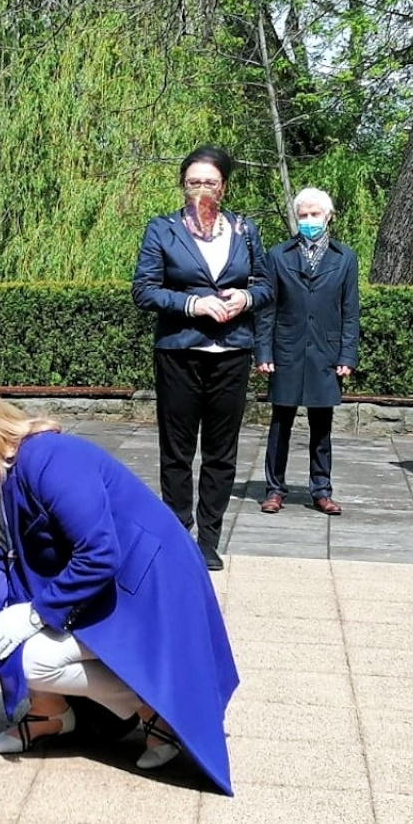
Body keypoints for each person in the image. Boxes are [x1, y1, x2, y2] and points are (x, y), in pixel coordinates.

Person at [0, 380, 239, 794]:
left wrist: (37, 614)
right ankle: (50, 715)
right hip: (104, 584)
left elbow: (99, 553)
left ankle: (156, 709)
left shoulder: (52, 459)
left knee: (31, 654)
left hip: (147, 590)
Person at [131, 147, 271, 571]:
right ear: (182, 185)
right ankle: (177, 530)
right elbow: (144, 290)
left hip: (231, 352)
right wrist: (193, 304)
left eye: (210, 181)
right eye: (194, 181)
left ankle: (208, 537)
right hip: (180, 351)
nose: (202, 189)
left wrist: (245, 297)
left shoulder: (245, 230)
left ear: (223, 186)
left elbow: (266, 285)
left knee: (220, 451)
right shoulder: (162, 230)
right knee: (177, 449)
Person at [254, 187, 360, 515]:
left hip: (326, 354)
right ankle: (274, 489)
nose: (309, 220)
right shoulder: (278, 256)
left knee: (321, 425)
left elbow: (350, 311)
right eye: (303, 215)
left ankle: (321, 490)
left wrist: (347, 355)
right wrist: (263, 352)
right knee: (280, 424)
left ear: (328, 217)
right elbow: (266, 309)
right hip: (286, 351)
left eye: (315, 215)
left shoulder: (345, 258)